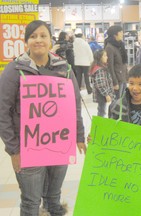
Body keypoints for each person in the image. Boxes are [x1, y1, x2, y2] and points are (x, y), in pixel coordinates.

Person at [0, 20, 86, 216]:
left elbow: (74, 104)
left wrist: (79, 135)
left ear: (50, 40)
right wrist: (14, 150)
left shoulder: (64, 68)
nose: (38, 40)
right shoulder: (14, 70)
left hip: (59, 144)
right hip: (27, 148)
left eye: (43, 36)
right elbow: (2, 112)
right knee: (31, 202)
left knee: (54, 198)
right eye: (33, 36)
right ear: (26, 41)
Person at [104, 25, 128, 99]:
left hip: (123, 78)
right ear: (115, 34)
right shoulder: (109, 48)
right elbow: (109, 67)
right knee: (117, 102)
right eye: (120, 32)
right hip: (117, 80)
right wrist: (114, 82)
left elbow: (123, 64)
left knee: (123, 101)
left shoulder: (120, 45)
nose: (122, 33)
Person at [89, 49, 115, 117]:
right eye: (105, 55)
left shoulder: (98, 68)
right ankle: (100, 125)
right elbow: (100, 84)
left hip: (101, 94)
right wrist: (106, 95)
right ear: (100, 57)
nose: (107, 57)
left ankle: (100, 124)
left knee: (101, 110)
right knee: (102, 111)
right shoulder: (100, 70)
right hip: (101, 95)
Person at [73, 28, 94, 94]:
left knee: (78, 76)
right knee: (86, 77)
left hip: (77, 62)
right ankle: (89, 89)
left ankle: (77, 89)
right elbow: (89, 52)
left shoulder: (74, 43)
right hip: (85, 63)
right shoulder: (85, 43)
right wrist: (91, 61)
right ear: (82, 35)